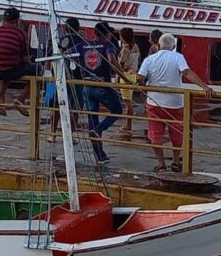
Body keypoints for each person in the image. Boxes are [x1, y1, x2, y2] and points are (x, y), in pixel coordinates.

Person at [137, 33, 213, 172]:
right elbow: (186, 73)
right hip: (175, 103)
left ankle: (161, 163)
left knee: (155, 134)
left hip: (154, 102)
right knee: (177, 133)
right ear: (173, 46)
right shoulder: (178, 57)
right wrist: (204, 86)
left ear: (159, 45)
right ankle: (176, 160)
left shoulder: (149, 59)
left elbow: (140, 77)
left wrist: (145, 87)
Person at [77, 22, 130, 163]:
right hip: (103, 85)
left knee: (92, 120)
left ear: (94, 33)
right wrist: (124, 78)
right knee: (117, 110)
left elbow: (67, 53)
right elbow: (113, 61)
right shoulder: (108, 46)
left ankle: (100, 156)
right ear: (107, 34)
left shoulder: (82, 45)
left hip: (87, 86)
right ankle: (100, 129)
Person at [0, 7, 33, 117]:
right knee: (38, 71)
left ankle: (0, 96)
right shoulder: (20, 33)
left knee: (7, 64)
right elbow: (25, 58)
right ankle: (20, 99)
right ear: (17, 20)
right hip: (8, 70)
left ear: (4, 19)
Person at [118, 27, 140, 134]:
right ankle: (128, 124)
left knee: (127, 103)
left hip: (126, 75)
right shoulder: (135, 46)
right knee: (129, 101)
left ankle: (128, 125)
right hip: (133, 74)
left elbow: (121, 63)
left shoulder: (126, 48)